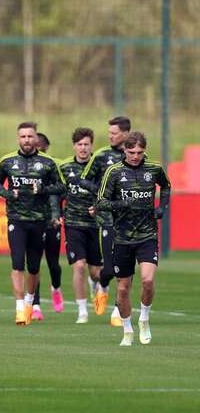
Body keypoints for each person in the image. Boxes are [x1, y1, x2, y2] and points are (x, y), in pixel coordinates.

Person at [97, 132, 169, 346]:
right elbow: (101, 202)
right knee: (122, 288)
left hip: (147, 234)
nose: (135, 156)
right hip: (122, 238)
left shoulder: (154, 169)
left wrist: (162, 207)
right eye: (131, 152)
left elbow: (166, 186)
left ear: (144, 150)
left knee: (147, 280)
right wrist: (122, 204)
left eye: (139, 152)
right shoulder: (114, 172)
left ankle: (144, 319)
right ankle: (127, 331)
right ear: (124, 151)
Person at [0, 122, 65, 325]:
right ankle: (19, 308)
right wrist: (7, 193)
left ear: (36, 139)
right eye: (23, 137)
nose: (26, 140)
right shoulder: (7, 161)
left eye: (30, 136)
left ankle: (29, 302)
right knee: (17, 263)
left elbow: (61, 186)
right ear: (18, 138)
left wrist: (42, 189)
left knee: (33, 267)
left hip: (39, 221)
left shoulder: (48, 162)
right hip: (16, 219)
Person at [80, 116, 131, 326]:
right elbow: (84, 179)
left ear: (126, 134)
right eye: (109, 132)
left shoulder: (136, 155)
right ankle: (102, 285)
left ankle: (119, 312)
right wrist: (103, 194)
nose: (110, 136)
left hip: (129, 221)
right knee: (109, 268)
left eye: (114, 133)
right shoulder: (101, 156)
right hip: (107, 217)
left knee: (125, 268)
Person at [60, 127, 102, 323]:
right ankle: (82, 310)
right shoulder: (66, 168)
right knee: (78, 266)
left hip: (95, 224)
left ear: (91, 145)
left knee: (95, 271)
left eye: (86, 144)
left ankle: (96, 285)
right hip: (73, 223)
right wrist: (57, 214)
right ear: (74, 146)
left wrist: (98, 208)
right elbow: (58, 193)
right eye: (80, 144)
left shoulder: (100, 166)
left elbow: (106, 192)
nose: (83, 148)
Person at [29, 132, 64, 321]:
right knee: (34, 265)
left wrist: (59, 215)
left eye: (42, 148)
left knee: (53, 264)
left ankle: (56, 288)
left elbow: (61, 192)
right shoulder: (24, 167)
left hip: (52, 221)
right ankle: (35, 305)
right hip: (34, 221)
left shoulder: (53, 166)